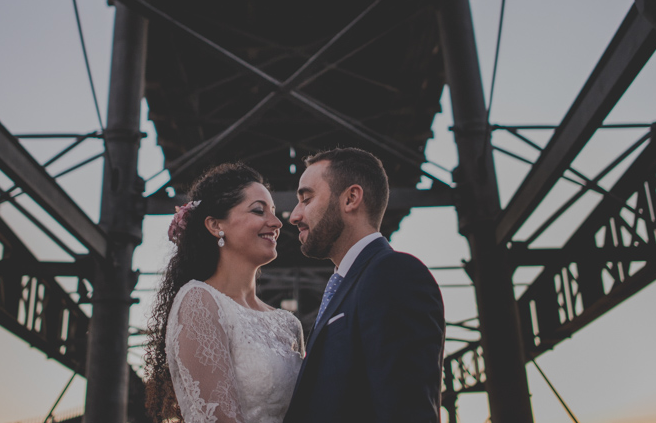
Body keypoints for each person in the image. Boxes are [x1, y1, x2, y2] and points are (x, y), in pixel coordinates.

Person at [284, 148, 445, 423]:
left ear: (350, 198)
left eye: (307, 199)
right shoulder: (350, 284)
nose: (294, 216)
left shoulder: (394, 274)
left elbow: (407, 412)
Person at [144, 163, 305, 423]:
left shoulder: (289, 324)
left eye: (274, 212)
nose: (276, 223)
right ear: (216, 225)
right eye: (258, 210)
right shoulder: (199, 301)